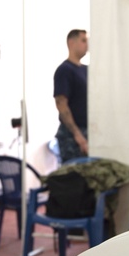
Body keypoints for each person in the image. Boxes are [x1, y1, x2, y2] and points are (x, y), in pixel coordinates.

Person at [53, 29, 89, 163]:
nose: (87, 44)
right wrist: (77, 135)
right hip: (71, 137)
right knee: (74, 179)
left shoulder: (86, 70)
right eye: (83, 40)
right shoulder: (65, 70)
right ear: (71, 43)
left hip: (87, 132)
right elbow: (61, 105)